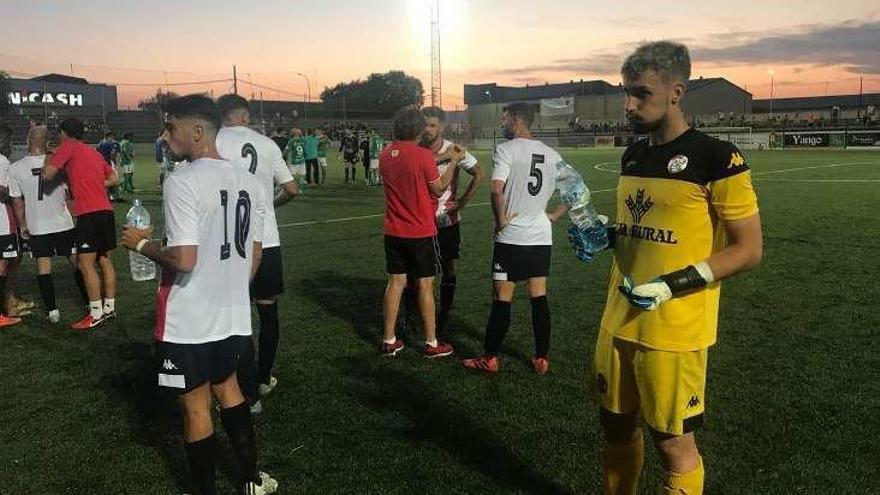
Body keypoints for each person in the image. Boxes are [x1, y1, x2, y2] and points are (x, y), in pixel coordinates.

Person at [593, 41, 762, 495]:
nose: (629, 105)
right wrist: (605, 235)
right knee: (616, 429)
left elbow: (748, 249)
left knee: (673, 446)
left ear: (676, 92)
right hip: (618, 320)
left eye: (640, 94)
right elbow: (641, 231)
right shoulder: (634, 155)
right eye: (626, 93)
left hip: (673, 330)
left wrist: (673, 284)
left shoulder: (717, 158)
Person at [121, 94, 277, 495]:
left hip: (189, 318)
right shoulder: (247, 180)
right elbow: (255, 253)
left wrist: (141, 246)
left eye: (170, 127)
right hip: (232, 313)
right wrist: (229, 288)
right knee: (229, 390)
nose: (164, 135)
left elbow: (184, 259)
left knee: (194, 405)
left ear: (197, 131)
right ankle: (252, 480)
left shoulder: (182, 181)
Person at [461, 102, 568, 375]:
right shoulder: (552, 154)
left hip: (512, 237)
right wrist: (553, 216)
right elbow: (576, 192)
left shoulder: (506, 150)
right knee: (538, 296)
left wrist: (501, 221)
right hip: (541, 236)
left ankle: (491, 358)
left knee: (502, 297)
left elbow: (496, 190)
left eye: (505, 119)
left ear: (518, 120)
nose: (502, 124)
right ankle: (541, 357)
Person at [215, 94, 299, 414]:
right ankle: (262, 378)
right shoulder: (266, 144)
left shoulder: (213, 142)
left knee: (232, 316)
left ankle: (236, 386)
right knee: (267, 312)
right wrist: (268, 206)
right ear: (246, 117)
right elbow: (291, 189)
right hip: (266, 239)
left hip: (226, 244)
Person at [379, 106, 459, 358]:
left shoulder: (385, 154)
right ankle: (432, 343)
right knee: (425, 285)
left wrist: (437, 160)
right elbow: (438, 189)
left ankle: (389, 339)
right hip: (420, 231)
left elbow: (408, 163)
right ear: (417, 128)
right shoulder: (422, 155)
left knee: (395, 283)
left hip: (393, 230)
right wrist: (454, 161)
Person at [43, 118, 120, 330]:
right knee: (104, 260)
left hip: (89, 213)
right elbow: (115, 179)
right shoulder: (93, 152)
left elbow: (48, 174)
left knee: (85, 263)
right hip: (106, 211)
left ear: (64, 133)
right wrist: (94, 184)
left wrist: (50, 155)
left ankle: (95, 313)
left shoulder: (67, 146)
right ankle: (110, 308)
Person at [10, 125, 88, 323]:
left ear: (28, 141)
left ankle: (53, 310)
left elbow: (17, 202)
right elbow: (73, 191)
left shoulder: (15, 168)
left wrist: (22, 225)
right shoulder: (59, 163)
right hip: (63, 223)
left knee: (44, 266)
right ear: (47, 142)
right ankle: (89, 301)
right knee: (77, 263)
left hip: (38, 225)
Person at [419, 106, 484, 336]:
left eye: (432, 125)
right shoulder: (416, 149)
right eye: (424, 124)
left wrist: (463, 201)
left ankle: (444, 313)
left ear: (442, 127)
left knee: (449, 266)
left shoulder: (454, 148)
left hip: (447, 219)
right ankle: (410, 315)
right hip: (420, 220)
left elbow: (479, 172)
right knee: (415, 270)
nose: (427, 130)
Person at [0, 124, 24, 328]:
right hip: (3, 222)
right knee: (6, 263)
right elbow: (2, 191)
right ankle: (5, 308)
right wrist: (15, 191)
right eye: (6, 141)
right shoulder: (1, 161)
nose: (9, 145)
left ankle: (10, 302)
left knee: (13, 259)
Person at [96, 131, 123, 202]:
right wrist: (114, 161)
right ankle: (116, 196)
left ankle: (108, 196)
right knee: (115, 180)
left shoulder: (100, 143)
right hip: (109, 164)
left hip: (101, 164)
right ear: (109, 136)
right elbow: (113, 154)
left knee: (105, 180)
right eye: (112, 137)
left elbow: (97, 152)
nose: (112, 138)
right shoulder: (111, 144)